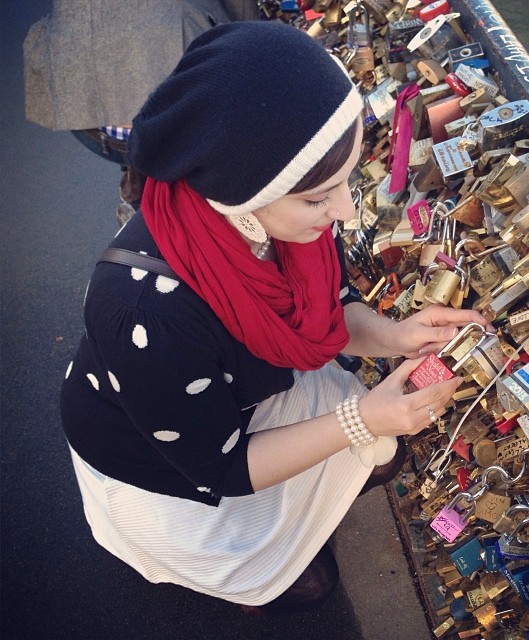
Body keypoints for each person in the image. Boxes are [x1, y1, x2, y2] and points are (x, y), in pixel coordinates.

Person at [60, 21, 488, 616]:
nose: (341, 211)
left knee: (384, 452)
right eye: (319, 197)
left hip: (234, 388)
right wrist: (361, 418)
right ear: (245, 189)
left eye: (345, 184)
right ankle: (236, 558)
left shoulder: (272, 219)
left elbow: (333, 306)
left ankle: (289, 527)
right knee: (311, 584)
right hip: (160, 457)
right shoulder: (145, 311)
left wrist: (393, 335)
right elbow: (221, 465)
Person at [23, 0, 260, 225]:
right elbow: (242, 16)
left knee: (145, 123)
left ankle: (139, 188)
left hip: (84, 112)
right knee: (214, 111)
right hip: (177, 115)